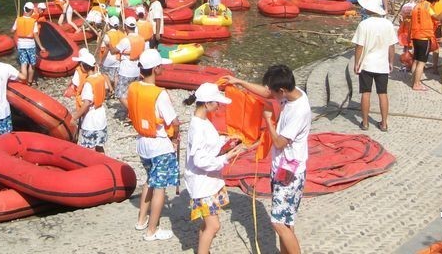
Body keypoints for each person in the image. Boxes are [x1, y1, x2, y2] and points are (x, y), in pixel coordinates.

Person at [226, 65, 310, 254]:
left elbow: (279, 142)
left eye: (272, 90)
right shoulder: (292, 93)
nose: (268, 93)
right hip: (284, 166)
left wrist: (268, 120)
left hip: (290, 171)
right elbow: (265, 92)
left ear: (281, 90)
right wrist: (239, 82)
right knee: (286, 221)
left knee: (278, 223)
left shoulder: (298, 111)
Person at [183, 83, 246, 254]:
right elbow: (200, 160)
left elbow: (210, 144)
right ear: (207, 103)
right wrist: (227, 157)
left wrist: (226, 141)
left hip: (209, 181)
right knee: (214, 225)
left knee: (207, 224)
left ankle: (204, 249)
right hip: (202, 184)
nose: (219, 105)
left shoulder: (203, 121)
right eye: (217, 102)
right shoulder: (197, 127)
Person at [127, 50, 179, 242]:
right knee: (160, 187)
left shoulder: (133, 87)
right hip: (159, 146)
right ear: (156, 69)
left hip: (142, 143)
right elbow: (174, 121)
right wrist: (175, 138)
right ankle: (151, 231)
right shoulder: (159, 94)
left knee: (150, 180)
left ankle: (141, 220)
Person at [352, 0, 397, 131]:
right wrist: (391, 62)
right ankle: (384, 123)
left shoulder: (364, 24)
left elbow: (359, 46)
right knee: (382, 93)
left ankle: (365, 123)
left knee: (366, 93)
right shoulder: (388, 24)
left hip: (366, 64)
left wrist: (356, 63)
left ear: (369, 9)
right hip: (382, 64)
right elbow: (391, 46)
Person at [69, 49, 110, 152]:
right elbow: (106, 89)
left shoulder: (89, 83)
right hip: (101, 115)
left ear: (84, 66)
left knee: (88, 148)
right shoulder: (100, 77)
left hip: (90, 119)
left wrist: (75, 116)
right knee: (99, 146)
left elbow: (86, 103)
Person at [410, 0, 441, 91]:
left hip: (415, 36)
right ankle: (416, 84)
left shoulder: (416, 6)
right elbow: (438, 17)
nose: (435, 4)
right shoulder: (428, 7)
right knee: (421, 62)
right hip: (424, 37)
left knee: (416, 60)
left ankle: (413, 80)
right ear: (432, 0)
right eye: (435, 2)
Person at [115, 17, 146, 109]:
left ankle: (132, 111)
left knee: (120, 95)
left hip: (126, 71)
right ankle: (133, 110)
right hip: (136, 70)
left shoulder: (125, 40)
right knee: (132, 93)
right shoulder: (141, 39)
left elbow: (114, 51)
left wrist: (109, 45)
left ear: (125, 26)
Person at [11, 2, 40, 87]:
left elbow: (12, 30)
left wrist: (17, 24)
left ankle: (24, 81)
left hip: (21, 45)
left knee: (23, 64)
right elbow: (35, 34)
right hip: (30, 45)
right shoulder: (33, 21)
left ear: (24, 9)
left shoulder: (18, 19)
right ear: (31, 11)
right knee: (32, 64)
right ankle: (30, 82)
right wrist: (41, 47)